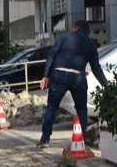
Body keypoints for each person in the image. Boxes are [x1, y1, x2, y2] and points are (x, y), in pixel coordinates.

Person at [38, 20, 109, 148]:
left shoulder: (64, 38)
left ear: (75, 28)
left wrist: (46, 76)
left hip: (59, 75)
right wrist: (106, 85)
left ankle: (45, 140)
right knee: (81, 109)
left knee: (52, 108)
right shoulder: (90, 44)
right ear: (87, 31)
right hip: (78, 77)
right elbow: (96, 68)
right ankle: (80, 140)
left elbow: (51, 56)